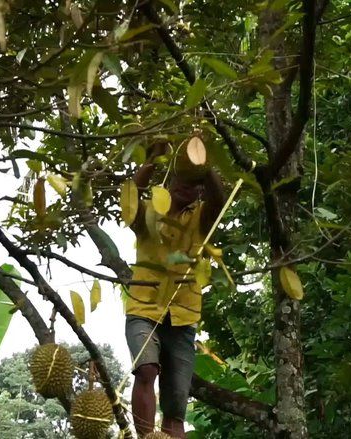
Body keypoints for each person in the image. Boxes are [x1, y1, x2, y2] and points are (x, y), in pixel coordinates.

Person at [124, 142, 225, 438]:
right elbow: (129, 197)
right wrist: (153, 158)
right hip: (144, 308)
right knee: (146, 371)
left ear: (200, 191)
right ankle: (146, 437)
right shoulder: (149, 213)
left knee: (176, 406)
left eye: (194, 184)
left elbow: (219, 201)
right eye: (182, 179)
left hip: (183, 315)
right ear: (170, 179)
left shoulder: (203, 218)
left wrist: (204, 168)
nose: (186, 187)